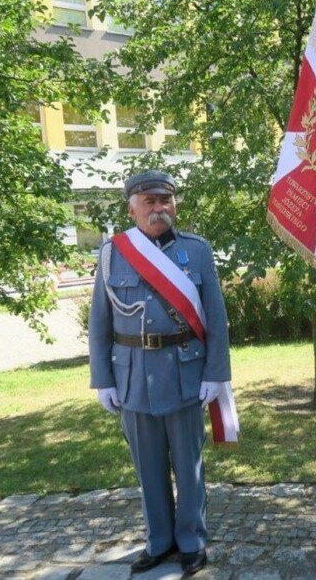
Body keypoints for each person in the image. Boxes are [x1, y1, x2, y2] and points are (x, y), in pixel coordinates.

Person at [88, 170, 232, 576]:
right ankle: (159, 541)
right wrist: (102, 378)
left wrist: (215, 373)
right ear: (132, 207)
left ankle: (191, 540)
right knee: (147, 467)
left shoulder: (197, 251)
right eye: (148, 202)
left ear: (175, 204)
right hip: (131, 377)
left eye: (165, 200)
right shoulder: (112, 252)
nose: (158, 208)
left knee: (189, 466)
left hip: (185, 373)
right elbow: (99, 322)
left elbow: (217, 320)